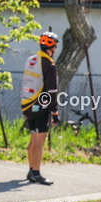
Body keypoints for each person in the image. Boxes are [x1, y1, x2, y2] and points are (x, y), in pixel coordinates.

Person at [20, 31, 59, 185]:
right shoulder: (49, 64)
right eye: (55, 46)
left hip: (28, 105)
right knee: (39, 142)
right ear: (52, 48)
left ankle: (31, 170)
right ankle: (36, 173)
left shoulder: (31, 60)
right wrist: (55, 111)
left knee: (33, 139)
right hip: (41, 107)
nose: (55, 49)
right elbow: (51, 91)